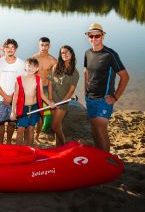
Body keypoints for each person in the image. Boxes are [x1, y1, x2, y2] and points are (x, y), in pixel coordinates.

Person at [84, 23, 129, 153]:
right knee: (94, 129)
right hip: (90, 98)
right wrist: (85, 91)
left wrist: (115, 97)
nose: (94, 39)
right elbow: (86, 72)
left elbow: (125, 77)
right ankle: (99, 156)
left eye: (97, 36)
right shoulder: (87, 53)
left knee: (101, 130)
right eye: (91, 36)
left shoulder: (110, 54)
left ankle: (106, 160)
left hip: (104, 100)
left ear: (103, 36)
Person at [11, 58, 54, 146]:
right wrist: (13, 111)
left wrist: (49, 103)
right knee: (20, 130)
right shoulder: (19, 79)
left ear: (37, 69)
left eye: (34, 67)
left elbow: (41, 94)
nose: (31, 68)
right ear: (25, 67)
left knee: (31, 129)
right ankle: (18, 150)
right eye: (29, 66)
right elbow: (15, 96)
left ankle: (28, 148)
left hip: (34, 107)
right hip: (23, 108)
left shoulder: (38, 79)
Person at [0, 39, 25, 144]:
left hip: (14, 99)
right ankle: (0, 142)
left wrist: (11, 97)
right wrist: (5, 96)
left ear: (16, 49)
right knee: (0, 122)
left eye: (12, 47)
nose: (10, 50)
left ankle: (9, 142)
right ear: (4, 49)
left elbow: (22, 83)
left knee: (12, 122)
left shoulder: (21, 63)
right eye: (7, 47)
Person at [49, 45, 79, 146]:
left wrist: (62, 103)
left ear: (71, 54)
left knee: (54, 126)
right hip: (53, 101)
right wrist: (50, 99)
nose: (65, 54)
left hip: (63, 102)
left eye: (67, 52)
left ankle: (64, 144)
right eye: (62, 53)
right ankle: (58, 146)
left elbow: (71, 91)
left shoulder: (75, 72)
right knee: (57, 125)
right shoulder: (55, 67)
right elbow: (50, 83)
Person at [32, 37, 58, 143]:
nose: (44, 47)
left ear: (49, 46)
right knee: (33, 112)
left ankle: (37, 136)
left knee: (44, 114)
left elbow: (52, 80)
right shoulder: (34, 58)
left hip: (46, 88)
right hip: (34, 88)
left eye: (46, 45)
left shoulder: (53, 60)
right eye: (42, 45)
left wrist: (51, 97)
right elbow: (29, 75)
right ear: (39, 45)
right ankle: (31, 132)